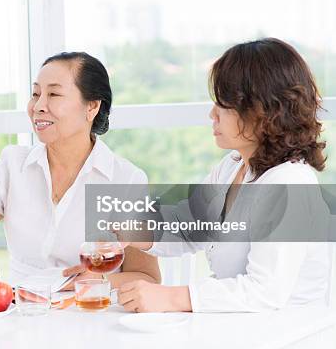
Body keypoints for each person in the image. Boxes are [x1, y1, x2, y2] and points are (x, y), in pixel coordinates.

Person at [118, 38, 330, 312]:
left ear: (261, 110)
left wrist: (170, 297)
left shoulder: (289, 183)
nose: (212, 115)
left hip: (285, 333)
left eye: (223, 105)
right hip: (238, 326)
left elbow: (264, 292)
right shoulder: (233, 166)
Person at [0, 52, 160, 288]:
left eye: (54, 94)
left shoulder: (124, 179)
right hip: (24, 314)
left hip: (90, 316)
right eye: (35, 94)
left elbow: (147, 277)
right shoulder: (14, 165)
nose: (38, 106)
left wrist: (97, 281)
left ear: (92, 106)